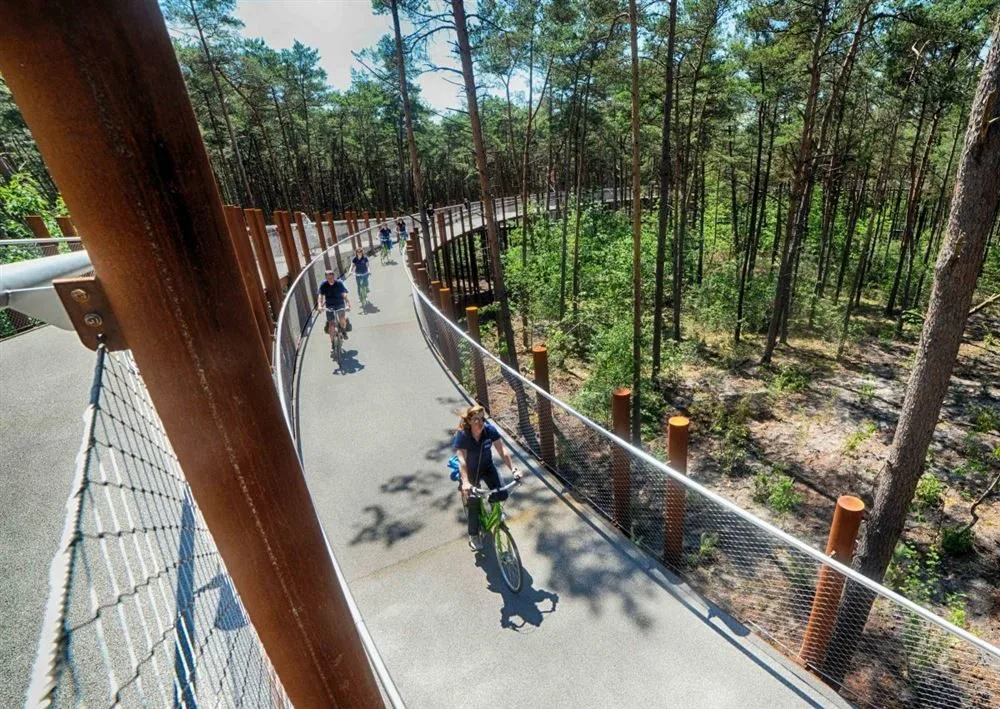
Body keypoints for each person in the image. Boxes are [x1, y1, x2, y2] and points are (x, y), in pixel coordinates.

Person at [453, 405, 521, 550]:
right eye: (476, 419)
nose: (480, 422)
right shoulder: (463, 435)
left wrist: (514, 469)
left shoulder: (488, 430)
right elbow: (462, 460)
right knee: (473, 503)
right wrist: (465, 482)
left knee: (501, 493)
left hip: (487, 467)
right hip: (470, 473)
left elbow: (502, 449)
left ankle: (494, 508)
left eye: (482, 419)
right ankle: (474, 535)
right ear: (470, 421)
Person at [318, 270, 350, 347]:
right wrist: (319, 305)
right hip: (329, 305)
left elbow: (344, 294)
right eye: (328, 278)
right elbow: (320, 296)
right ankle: (332, 342)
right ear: (326, 278)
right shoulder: (323, 284)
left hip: (340, 303)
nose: (330, 279)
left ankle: (343, 330)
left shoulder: (339, 283)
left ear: (334, 277)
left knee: (342, 319)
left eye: (331, 278)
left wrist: (348, 304)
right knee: (331, 325)